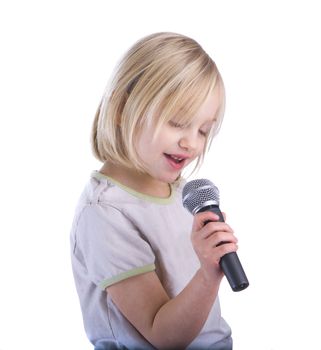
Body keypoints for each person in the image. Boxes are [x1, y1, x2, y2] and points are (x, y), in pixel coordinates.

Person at [70, 32, 238, 350]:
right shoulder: (106, 212)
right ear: (121, 109)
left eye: (204, 130)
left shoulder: (182, 193)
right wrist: (208, 273)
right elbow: (163, 336)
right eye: (177, 122)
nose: (191, 142)